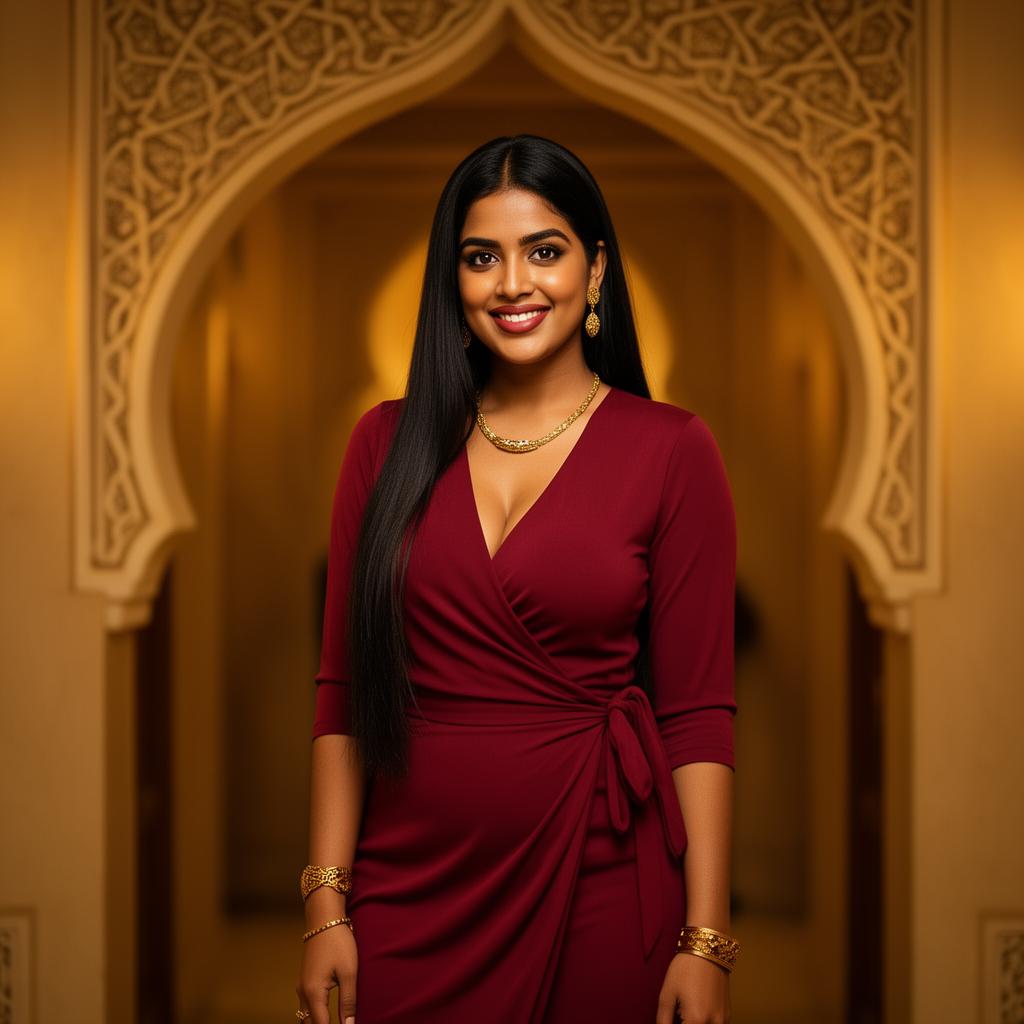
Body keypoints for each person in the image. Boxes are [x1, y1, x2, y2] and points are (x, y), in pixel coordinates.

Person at [295, 134, 740, 1024]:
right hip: (409, 887)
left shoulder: (672, 450)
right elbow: (345, 692)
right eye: (480, 257)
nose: (512, 284)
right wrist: (324, 902)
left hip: (603, 875)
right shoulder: (381, 447)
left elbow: (697, 714)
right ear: (450, 281)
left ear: (596, 269)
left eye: (544, 250)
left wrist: (705, 939)